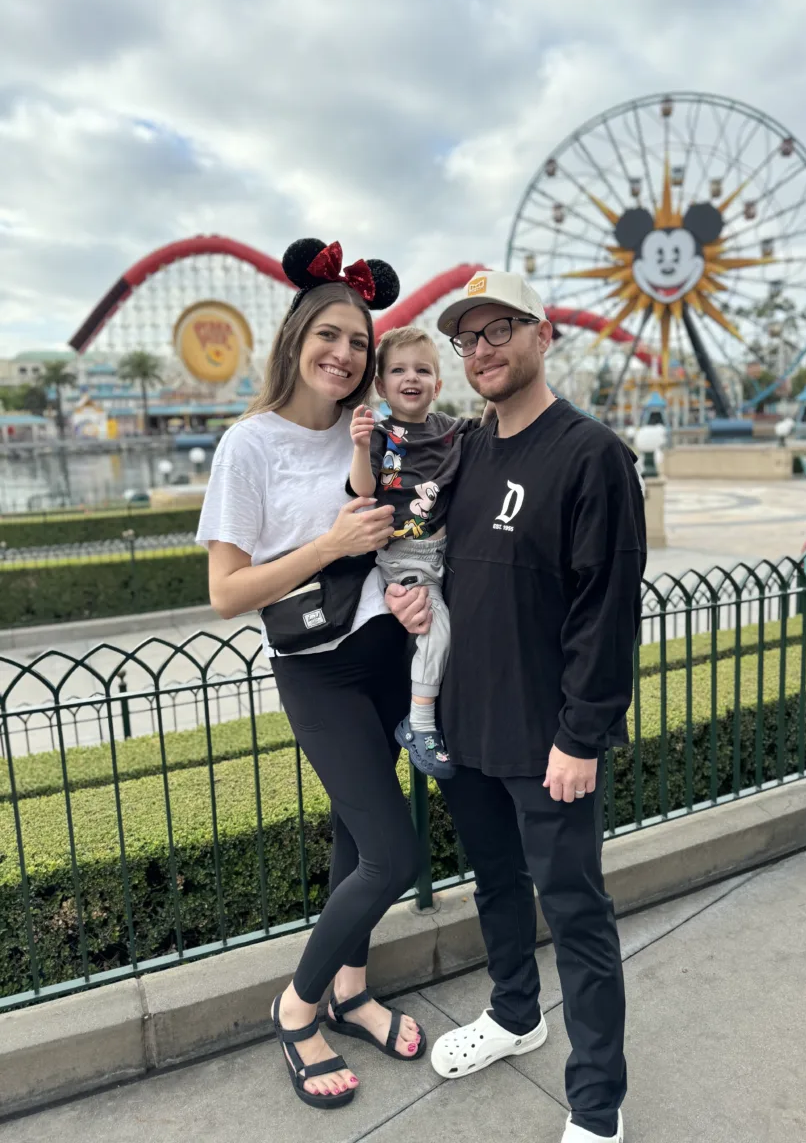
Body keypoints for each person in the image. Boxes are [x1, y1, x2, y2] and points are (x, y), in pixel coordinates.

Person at [386, 270, 646, 1143]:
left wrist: (581, 737)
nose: (483, 350)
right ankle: (513, 1013)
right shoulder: (465, 449)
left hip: (548, 738)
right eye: (469, 338)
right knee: (495, 885)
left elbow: (607, 610)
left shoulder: (591, 454)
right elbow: (434, 560)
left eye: (501, 329)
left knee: (576, 911)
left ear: (544, 335)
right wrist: (408, 600)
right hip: (467, 724)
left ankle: (598, 1105)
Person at [196, 237, 427, 1112]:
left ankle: (352, 992)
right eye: (329, 334)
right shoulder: (248, 446)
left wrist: (411, 588)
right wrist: (329, 545)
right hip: (317, 671)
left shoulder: (371, 432)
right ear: (295, 337)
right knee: (394, 854)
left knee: (355, 839)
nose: (345, 353)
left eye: (359, 342)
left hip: (387, 656)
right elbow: (227, 593)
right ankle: (297, 1007)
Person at [347, 325, 486, 777]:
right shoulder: (380, 435)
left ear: (438, 385)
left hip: (447, 553)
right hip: (405, 557)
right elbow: (362, 490)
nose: (411, 378)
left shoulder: (450, 430)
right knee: (435, 629)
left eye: (423, 371)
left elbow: (490, 425)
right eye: (399, 370)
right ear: (381, 385)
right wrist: (360, 446)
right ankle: (420, 724)